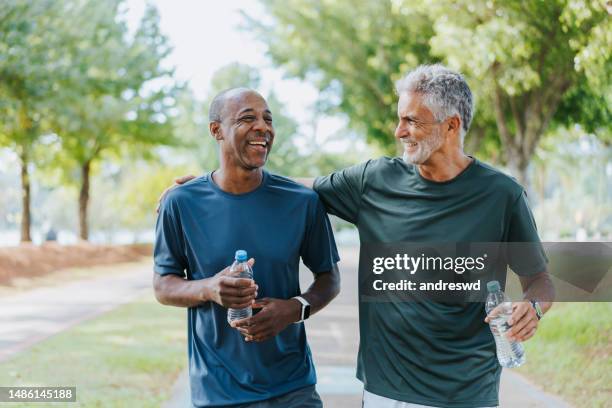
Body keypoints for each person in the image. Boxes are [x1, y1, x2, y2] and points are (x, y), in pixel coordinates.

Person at [161, 65, 555, 408]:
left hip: (467, 390)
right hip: (387, 389)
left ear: (451, 125)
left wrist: (532, 308)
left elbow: (541, 279)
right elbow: (298, 188)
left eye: (412, 121)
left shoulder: (502, 195)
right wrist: (209, 183)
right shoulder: (375, 180)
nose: (399, 131)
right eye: (400, 118)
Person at [153, 87, 340, 408]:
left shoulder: (302, 202)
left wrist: (295, 309)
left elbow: (329, 278)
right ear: (217, 131)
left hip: (293, 388)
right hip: (218, 392)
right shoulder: (181, 203)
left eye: (268, 119)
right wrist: (210, 289)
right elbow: (163, 285)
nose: (263, 127)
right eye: (247, 118)